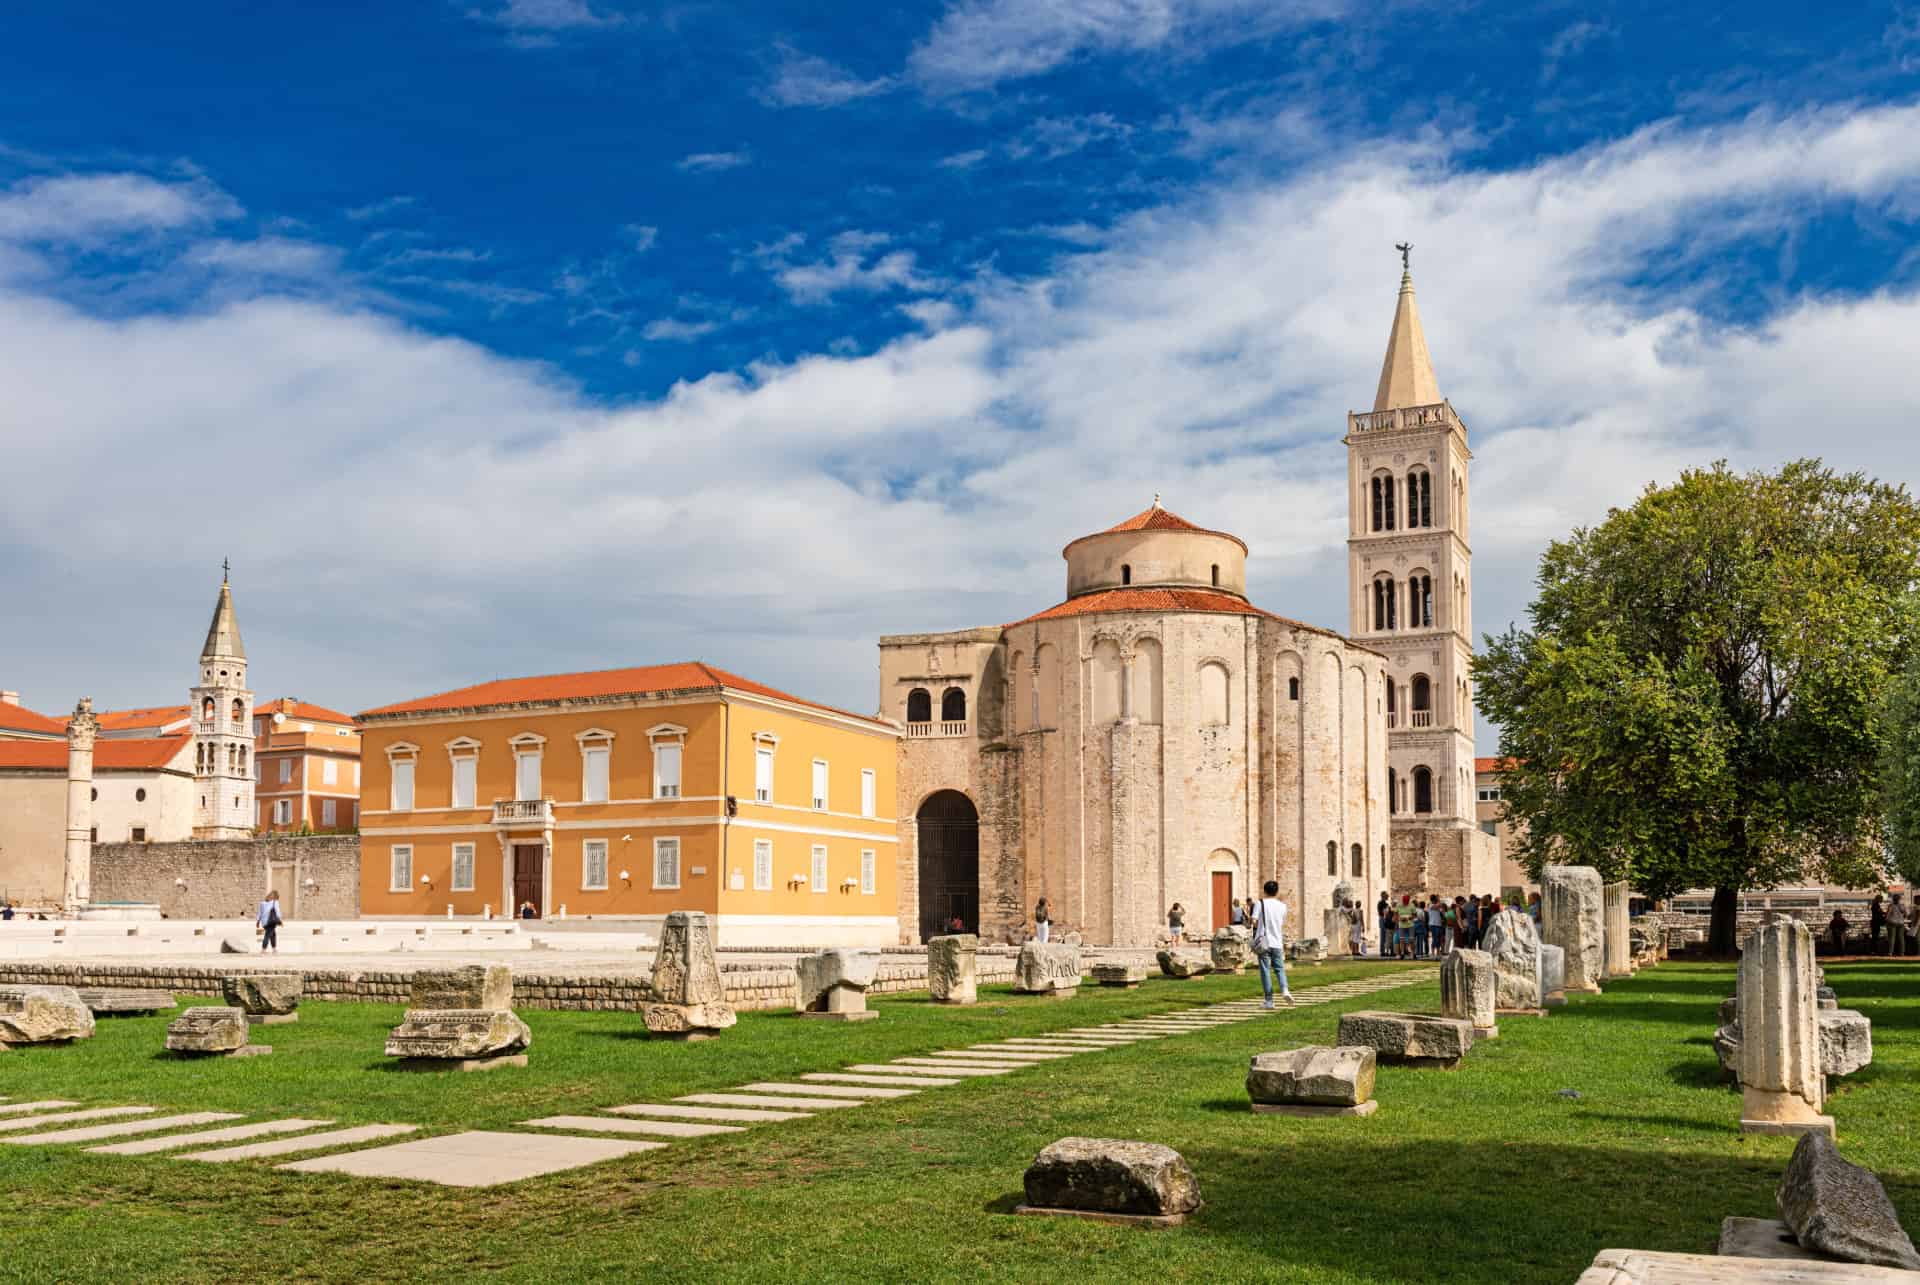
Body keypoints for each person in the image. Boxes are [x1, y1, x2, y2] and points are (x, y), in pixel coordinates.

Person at [1251, 879, 1294, 1009]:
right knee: (1280, 969)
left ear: (1264, 891)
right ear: (1277, 891)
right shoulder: (1282, 906)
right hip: (1277, 942)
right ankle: (1285, 990)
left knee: (1265, 971)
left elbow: (1254, 921)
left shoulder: (1260, 903)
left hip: (1264, 942)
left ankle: (1269, 1001)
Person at [1395, 894, 1417, 960]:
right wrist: (1400, 919)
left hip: (1410, 925)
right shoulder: (1399, 905)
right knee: (1401, 939)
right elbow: (1396, 915)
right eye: (1404, 902)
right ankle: (1402, 953)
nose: (1405, 903)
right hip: (1401, 925)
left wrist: (1410, 918)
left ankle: (1413, 953)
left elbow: (1415, 915)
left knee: (1411, 939)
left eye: (1406, 902)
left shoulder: (1412, 905)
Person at [1378, 894, 1394, 958]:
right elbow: (1383, 912)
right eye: (1387, 896)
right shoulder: (1382, 903)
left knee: (1386, 936)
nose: (1388, 897)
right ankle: (1382, 951)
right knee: (1383, 936)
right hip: (1383, 919)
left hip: (1384, 919)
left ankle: (1386, 950)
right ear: (1384, 896)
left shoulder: (1384, 904)